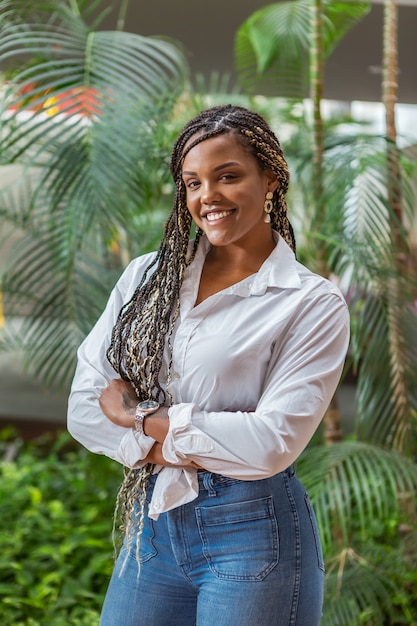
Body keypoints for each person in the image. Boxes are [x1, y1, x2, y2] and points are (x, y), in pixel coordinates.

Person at [67, 104, 350, 626]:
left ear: (270, 179)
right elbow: (86, 408)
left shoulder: (309, 302)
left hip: (253, 533)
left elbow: (271, 444)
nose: (208, 197)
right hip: (151, 526)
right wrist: (204, 445)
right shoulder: (146, 277)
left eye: (228, 176)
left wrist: (139, 419)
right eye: (193, 183)